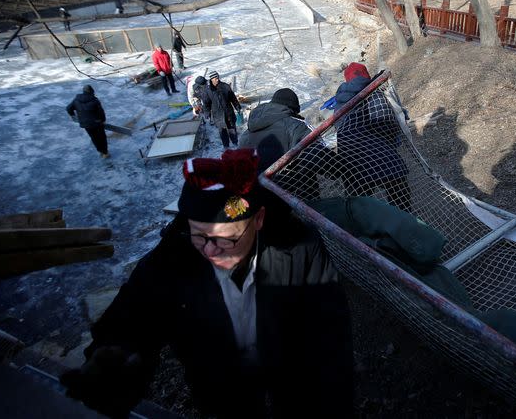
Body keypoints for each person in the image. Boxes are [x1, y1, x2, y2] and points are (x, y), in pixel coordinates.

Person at [60, 149, 354, 418]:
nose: (211, 250)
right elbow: (131, 318)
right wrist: (115, 361)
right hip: (218, 387)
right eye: (200, 236)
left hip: (291, 377)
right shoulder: (172, 258)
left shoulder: (299, 248)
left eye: (227, 239)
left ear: (259, 219)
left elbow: (329, 334)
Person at [333, 62, 412, 212]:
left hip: (353, 166)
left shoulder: (340, 102)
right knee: (401, 203)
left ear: (347, 80)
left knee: (361, 210)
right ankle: (406, 227)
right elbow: (390, 123)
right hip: (385, 160)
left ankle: (366, 232)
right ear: (366, 75)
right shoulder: (377, 93)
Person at [66, 85, 109, 158]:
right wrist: (103, 120)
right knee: (102, 138)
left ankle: (101, 151)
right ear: (92, 91)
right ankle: (105, 153)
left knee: (94, 137)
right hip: (97, 123)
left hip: (86, 124)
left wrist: (73, 116)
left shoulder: (76, 100)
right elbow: (101, 112)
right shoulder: (95, 100)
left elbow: (68, 108)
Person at [202, 70, 242, 149]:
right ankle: (226, 146)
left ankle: (235, 142)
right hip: (218, 114)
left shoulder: (225, 86)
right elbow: (206, 103)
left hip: (228, 111)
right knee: (222, 131)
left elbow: (233, 98)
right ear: (211, 79)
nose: (217, 79)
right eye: (214, 78)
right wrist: (207, 112)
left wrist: (237, 106)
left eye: (217, 77)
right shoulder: (208, 90)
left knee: (232, 128)